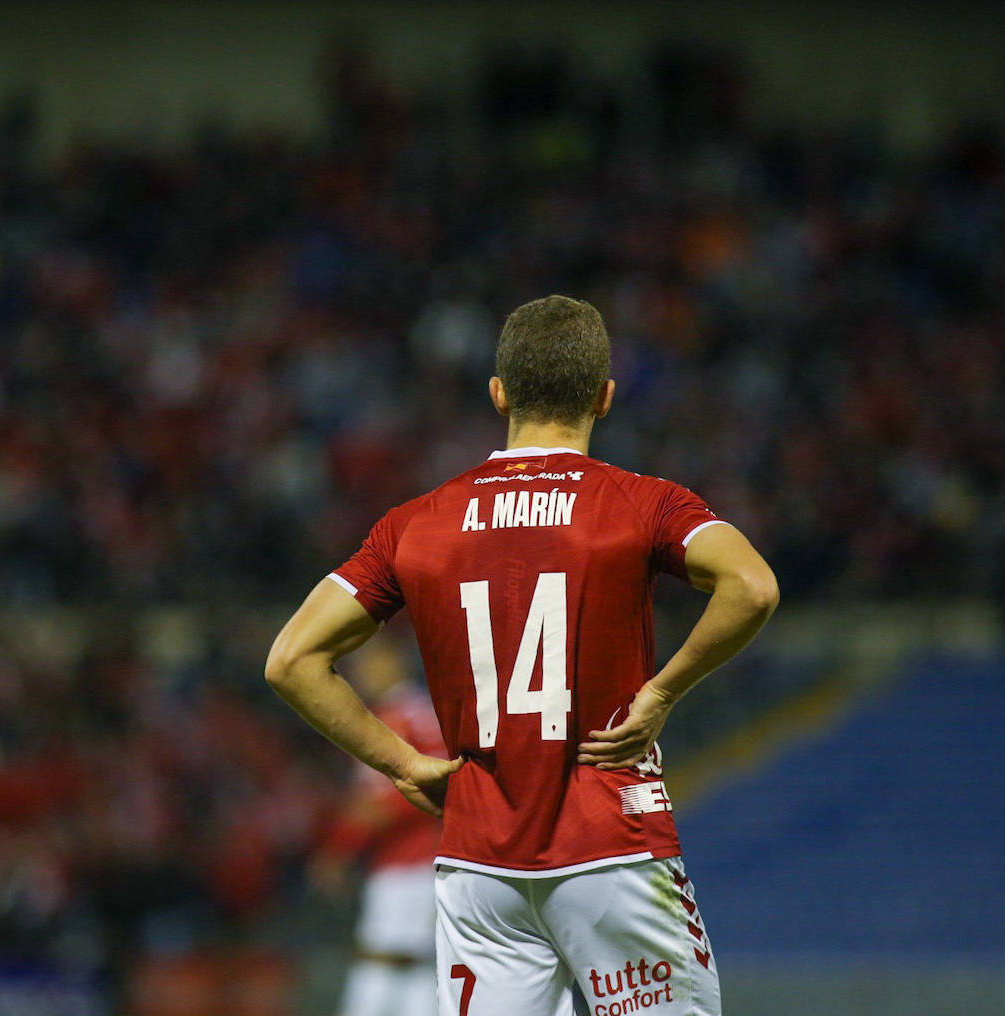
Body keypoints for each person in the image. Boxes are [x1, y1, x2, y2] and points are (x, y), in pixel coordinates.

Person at [266, 295, 778, 1015]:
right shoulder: (641, 503)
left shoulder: (417, 524)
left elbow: (291, 659)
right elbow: (752, 587)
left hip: (479, 863)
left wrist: (403, 765)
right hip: (613, 844)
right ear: (604, 397)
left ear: (499, 394)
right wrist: (661, 693)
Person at [307, 639, 443, 1016]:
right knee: (410, 963)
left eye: (371, 664)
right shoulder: (398, 713)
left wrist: (341, 845)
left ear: (393, 664)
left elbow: (436, 782)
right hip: (402, 860)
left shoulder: (409, 714)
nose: (361, 674)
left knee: (384, 959)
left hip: (414, 860)